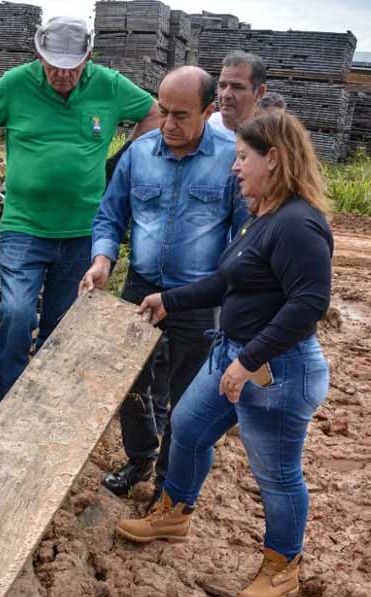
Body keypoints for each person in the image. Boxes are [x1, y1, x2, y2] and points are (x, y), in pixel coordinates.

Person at [115, 112, 333, 597]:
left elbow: (308, 305)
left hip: (277, 370)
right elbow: (228, 281)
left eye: (242, 157)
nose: (234, 167)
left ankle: (283, 565)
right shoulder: (265, 215)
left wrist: (247, 359)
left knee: (277, 474)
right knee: (189, 430)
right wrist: (172, 299)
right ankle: (174, 512)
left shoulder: (299, 224)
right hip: (235, 356)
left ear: (272, 158)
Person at [0, 16, 160, 407]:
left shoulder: (109, 86)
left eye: (72, 69)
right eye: (53, 67)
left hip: (82, 231)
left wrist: (121, 162)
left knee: (61, 323)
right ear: (38, 54)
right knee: (16, 312)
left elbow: (155, 112)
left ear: (88, 58)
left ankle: (42, 399)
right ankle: (6, 398)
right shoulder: (15, 84)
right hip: (25, 227)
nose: (62, 76)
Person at [81, 66, 248, 501]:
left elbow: (244, 238)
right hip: (140, 289)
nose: (168, 125)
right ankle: (139, 457)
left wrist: (224, 290)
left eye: (181, 115)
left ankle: (168, 486)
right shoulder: (140, 154)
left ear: (208, 111)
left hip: (197, 298)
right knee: (132, 382)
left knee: (187, 398)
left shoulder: (232, 159)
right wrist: (102, 259)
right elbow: (110, 216)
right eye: (163, 112)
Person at [208, 51, 267, 137]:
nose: (225, 95)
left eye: (237, 87)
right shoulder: (199, 132)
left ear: (259, 92)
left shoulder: (269, 139)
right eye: (222, 86)